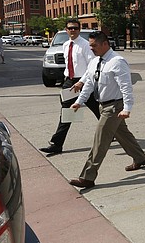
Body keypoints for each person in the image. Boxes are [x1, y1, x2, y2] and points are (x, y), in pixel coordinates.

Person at [68, 31, 145, 189]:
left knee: (100, 141)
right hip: (103, 105)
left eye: (94, 45)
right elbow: (89, 85)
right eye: (90, 45)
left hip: (114, 107)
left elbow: (126, 87)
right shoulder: (94, 62)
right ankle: (140, 158)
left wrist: (127, 108)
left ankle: (87, 177)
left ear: (105, 44)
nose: (91, 48)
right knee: (123, 134)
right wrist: (79, 102)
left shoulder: (117, 62)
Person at [39, 19, 101, 155]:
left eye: (75, 28)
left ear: (79, 30)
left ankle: (114, 130)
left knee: (97, 109)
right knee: (67, 111)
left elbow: (92, 66)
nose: (73, 30)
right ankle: (57, 144)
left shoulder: (85, 45)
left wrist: (82, 82)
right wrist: (66, 80)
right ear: (66, 30)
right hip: (70, 81)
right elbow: (69, 65)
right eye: (70, 28)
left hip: (84, 82)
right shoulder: (66, 45)